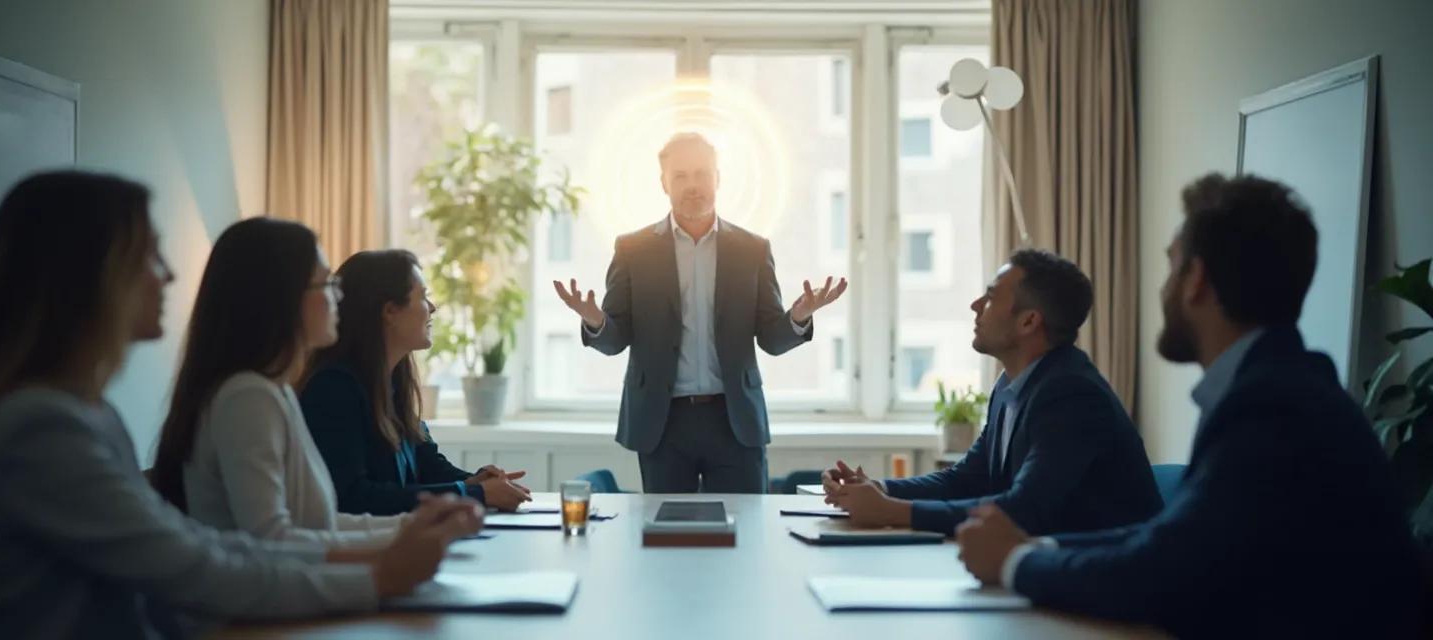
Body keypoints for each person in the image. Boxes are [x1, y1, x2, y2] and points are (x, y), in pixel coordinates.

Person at [0, 171, 482, 640]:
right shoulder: (41, 429)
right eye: (149, 257)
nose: (169, 274)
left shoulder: (85, 414)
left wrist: (399, 540)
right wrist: (379, 575)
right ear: (86, 277)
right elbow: (198, 568)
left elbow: (208, 546)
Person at [955, 174, 1423, 637]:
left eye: (1172, 267)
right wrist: (1034, 547)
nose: (1164, 290)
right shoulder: (1280, 384)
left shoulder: (1270, 406)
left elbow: (1160, 573)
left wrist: (1015, 561)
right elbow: (1169, 538)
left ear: (1195, 279)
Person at [553, 132, 847, 493]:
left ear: (718, 178)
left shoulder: (752, 249)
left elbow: (772, 338)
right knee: (666, 526)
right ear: (664, 183)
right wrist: (595, 320)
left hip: (734, 419)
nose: (693, 185)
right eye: (680, 176)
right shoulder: (633, 250)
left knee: (747, 524)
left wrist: (799, 316)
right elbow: (616, 339)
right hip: (662, 422)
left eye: (702, 174)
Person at [823, 249, 1161, 535]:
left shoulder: (1072, 395)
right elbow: (967, 479)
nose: (976, 305)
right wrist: (879, 489)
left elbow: (1023, 510)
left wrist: (890, 511)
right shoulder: (1010, 385)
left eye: (991, 296)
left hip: (1107, 581)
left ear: (1028, 321)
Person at [149, 218, 418, 544]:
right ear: (282, 298)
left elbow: (318, 525)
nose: (338, 297)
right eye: (326, 284)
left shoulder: (275, 392)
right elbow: (272, 538)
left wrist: (412, 527)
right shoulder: (247, 397)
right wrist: (404, 542)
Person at [300, 249, 532, 515]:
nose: (432, 307)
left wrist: (475, 482)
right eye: (423, 296)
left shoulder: (392, 383)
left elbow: (428, 467)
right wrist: (475, 494)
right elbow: (353, 497)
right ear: (390, 311)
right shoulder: (333, 389)